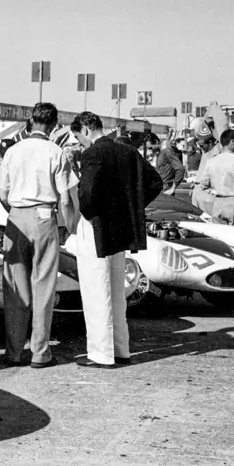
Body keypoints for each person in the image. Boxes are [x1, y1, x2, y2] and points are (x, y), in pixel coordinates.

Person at [71, 111, 163, 369]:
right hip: (121, 230)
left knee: (95, 291)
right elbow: (155, 182)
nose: (81, 144)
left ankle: (100, 354)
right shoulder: (129, 151)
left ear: (86, 130)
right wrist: (132, 207)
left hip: (97, 228)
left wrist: (90, 214)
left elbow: (86, 194)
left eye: (80, 139)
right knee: (116, 292)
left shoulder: (92, 154)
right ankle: (121, 349)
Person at [0, 103, 78, 369]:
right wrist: (67, 226)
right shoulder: (57, 152)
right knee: (43, 285)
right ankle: (40, 351)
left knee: (16, 287)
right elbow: (65, 198)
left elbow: (2, 194)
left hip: (16, 217)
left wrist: (16, 212)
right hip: (45, 217)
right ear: (54, 125)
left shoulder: (12, 151)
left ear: (31, 121)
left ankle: (14, 351)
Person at [199, 129, 234, 226]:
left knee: (220, 235)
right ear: (233, 143)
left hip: (217, 203)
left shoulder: (211, 161)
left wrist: (214, 191)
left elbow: (204, 184)